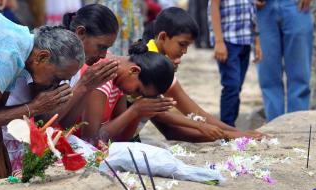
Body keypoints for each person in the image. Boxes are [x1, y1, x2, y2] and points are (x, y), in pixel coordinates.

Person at [0, 6, 84, 190]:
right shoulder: (10, 53)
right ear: (42, 57)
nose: (55, 86)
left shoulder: (21, 45)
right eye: (56, 79)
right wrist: (35, 107)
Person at [4, 3, 120, 171]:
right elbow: (42, 119)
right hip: (10, 139)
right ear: (80, 33)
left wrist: (87, 87)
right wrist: (82, 86)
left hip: (34, 138)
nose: (103, 55)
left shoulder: (76, 66)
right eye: (101, 47)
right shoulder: (52, 57)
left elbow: (64, 123)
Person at [142, 7, 264, 142]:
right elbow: (171, 129)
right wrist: (227, 135)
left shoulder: (158, 61)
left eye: (188, 46)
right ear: (163, 37)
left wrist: (237, 132)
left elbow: (195, 112)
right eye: (182, 44)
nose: (185, 51)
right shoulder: (149, 65)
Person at [81, 41, 176, 145]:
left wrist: (138, 114)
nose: (135, 95)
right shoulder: (103, 73)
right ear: (134, 71)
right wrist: (134, 110)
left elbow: (120, 138)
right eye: (138, 90)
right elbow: (90, 139)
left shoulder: (119, 79)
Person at [255, 0, 313, 121]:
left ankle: (298, 125)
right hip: (262, 8)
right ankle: (275, 128)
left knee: (300, 75)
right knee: (268, 76)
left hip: (296, 5)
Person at [209, 0, 262, 127]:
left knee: (237, 87)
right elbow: (214, 7)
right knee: (231, 85)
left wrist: (257, 42)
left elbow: (252, 13)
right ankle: (227, 128)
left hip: (245, 41)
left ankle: (231, 126)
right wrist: (219, 41)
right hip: (228, 41)